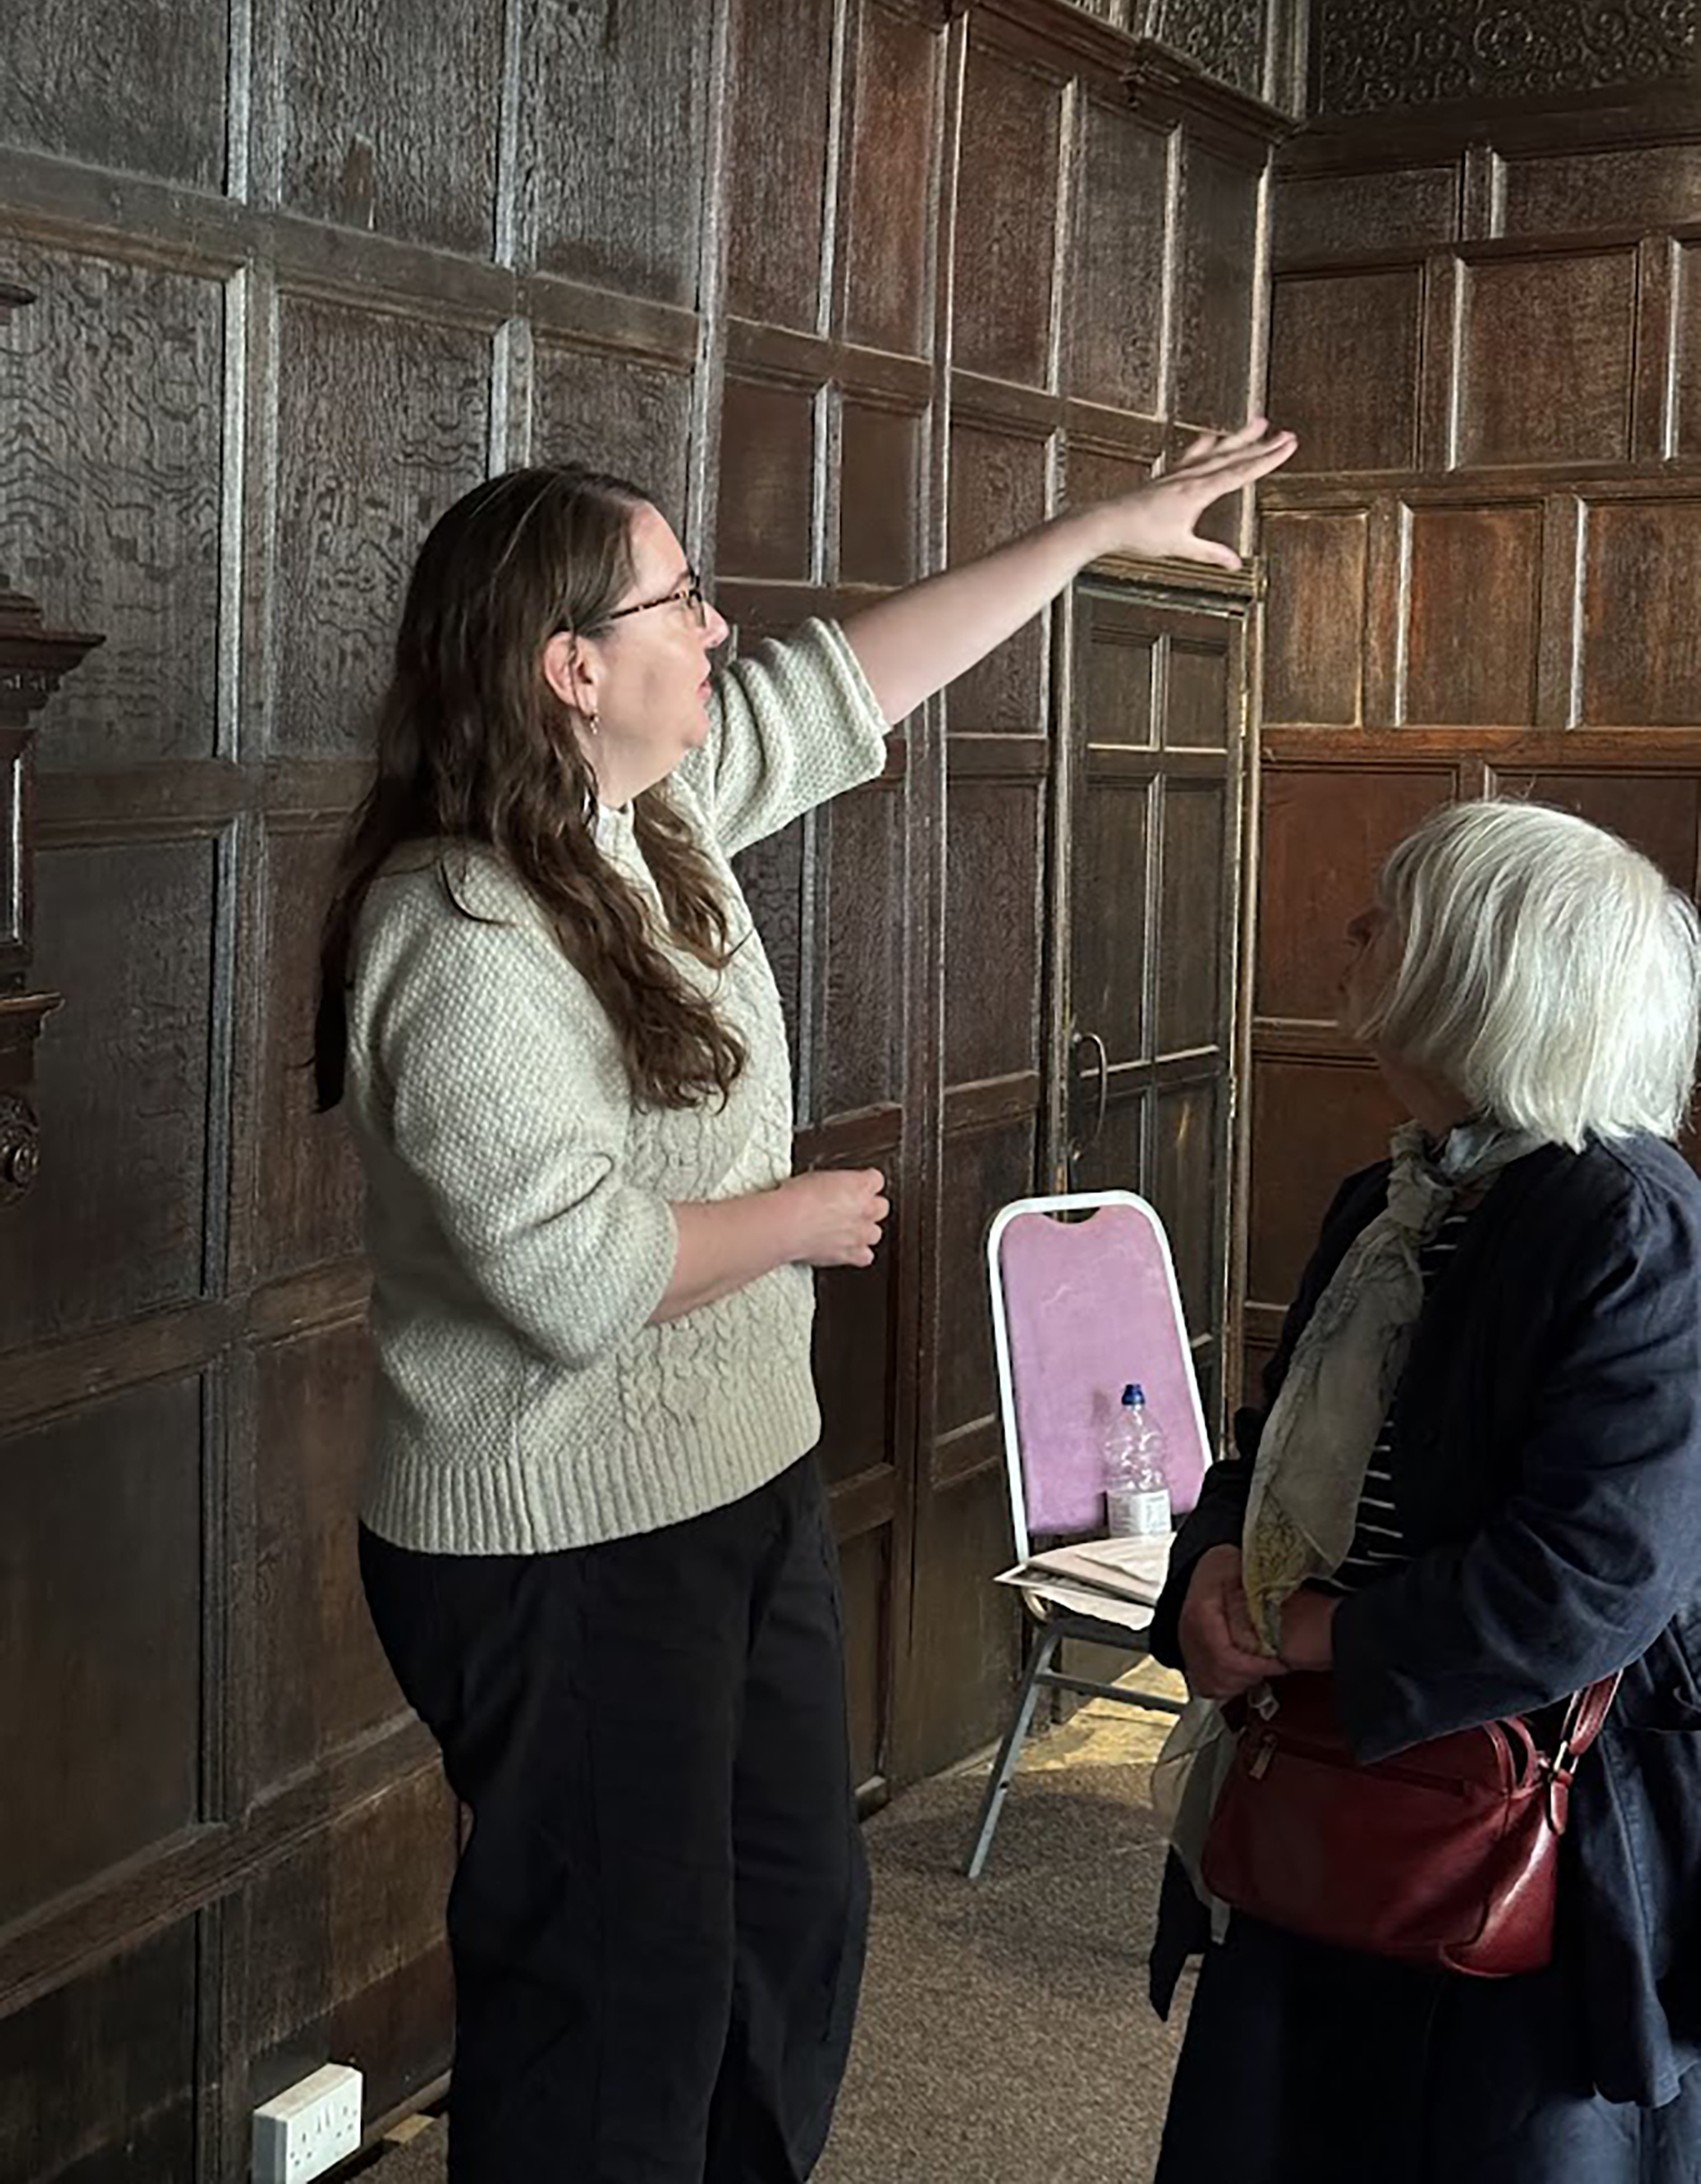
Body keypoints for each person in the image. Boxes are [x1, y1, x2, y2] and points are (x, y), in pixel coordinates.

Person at [312, 420, 1295, 2183]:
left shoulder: (641, 815)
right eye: (681, 597)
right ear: (569, 665)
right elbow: (570, 1278)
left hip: (729, 1488)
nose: (718, 624)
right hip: (557, 1546)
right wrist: (790, 1220)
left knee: (791, 1925)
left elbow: (853, 682)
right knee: (617, 2000)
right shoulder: (454, 926)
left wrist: (1093, 532)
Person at [1147, 798, 1701, 2183]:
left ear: (1487, 968)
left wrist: (1315, 1629)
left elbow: (1591, 1583)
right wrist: (1220, 1568)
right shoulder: (1394, 1199)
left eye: (1390, 910)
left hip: (1535, 1841)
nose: (1353, 931)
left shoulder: (1628, 1222)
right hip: (1333, 1790)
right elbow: (1269, 1452)